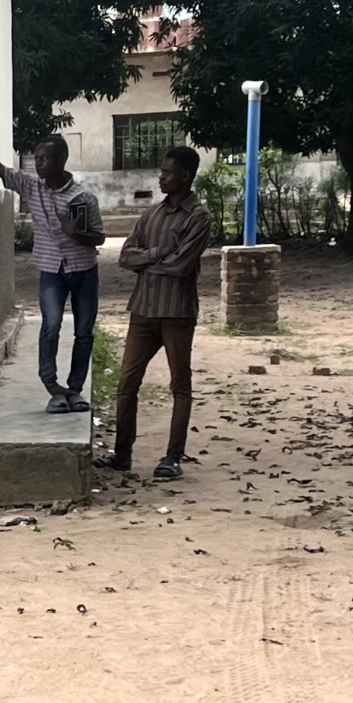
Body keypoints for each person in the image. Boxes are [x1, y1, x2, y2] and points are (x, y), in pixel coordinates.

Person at [0, 113, 99, 410]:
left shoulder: (83, 197)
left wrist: (76, 233)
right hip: (52, 271)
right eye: (37, 158)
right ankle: (53, 387)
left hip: (84, 270)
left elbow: (100, 237)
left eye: (44, 158)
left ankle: (75, 390)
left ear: (61, 160)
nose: (38, 163)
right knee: (51, 325)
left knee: (84, 331)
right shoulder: (31, 187)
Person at [99, 145, 210, 480]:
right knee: (127, 383)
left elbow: (181, 266)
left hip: (176, 312)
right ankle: (122, 454)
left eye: (167, 172)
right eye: (162, 171)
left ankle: (172, 457)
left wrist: (147, 262)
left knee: (180, 385)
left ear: (185, 176)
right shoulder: (151, 214)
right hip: (144, 311)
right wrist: (158, 253)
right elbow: (125, 256)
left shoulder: (198, 217)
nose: (161, 177)